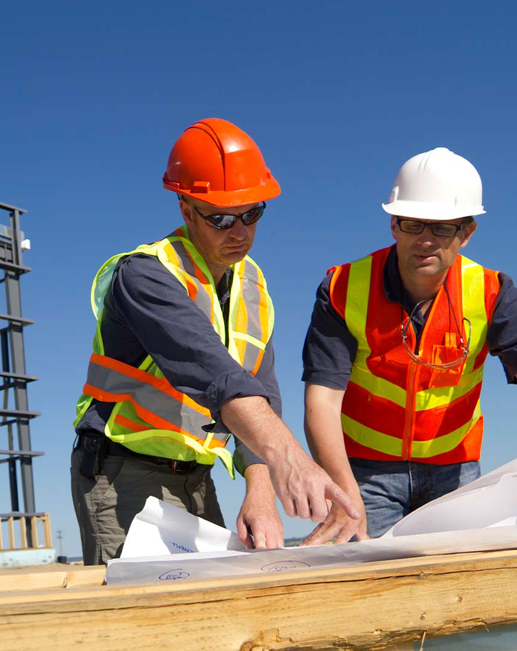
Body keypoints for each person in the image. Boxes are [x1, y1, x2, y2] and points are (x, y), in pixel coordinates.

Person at [72, 118, 358, 565]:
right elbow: (218, 376)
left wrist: (260, 488)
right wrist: (291, 460)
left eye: (251, 213)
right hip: (121, 471)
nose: (239, 231)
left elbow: (261, 391)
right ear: (187, 210)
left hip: (196, 477)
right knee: (142, 627)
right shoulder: (146, 275)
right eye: (221, 217)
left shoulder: (253, 285)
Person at [301, 147, 517, 544]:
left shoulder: (492, 292)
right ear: (393, 224)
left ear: (467, 233)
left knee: (464, 592)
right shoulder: (343, 288)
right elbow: (322, 402)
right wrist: (345, 496)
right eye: (414, 223)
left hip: (455, 472)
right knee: (369, 589)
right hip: (364, 471)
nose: (426, 240)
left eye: (444, 227)